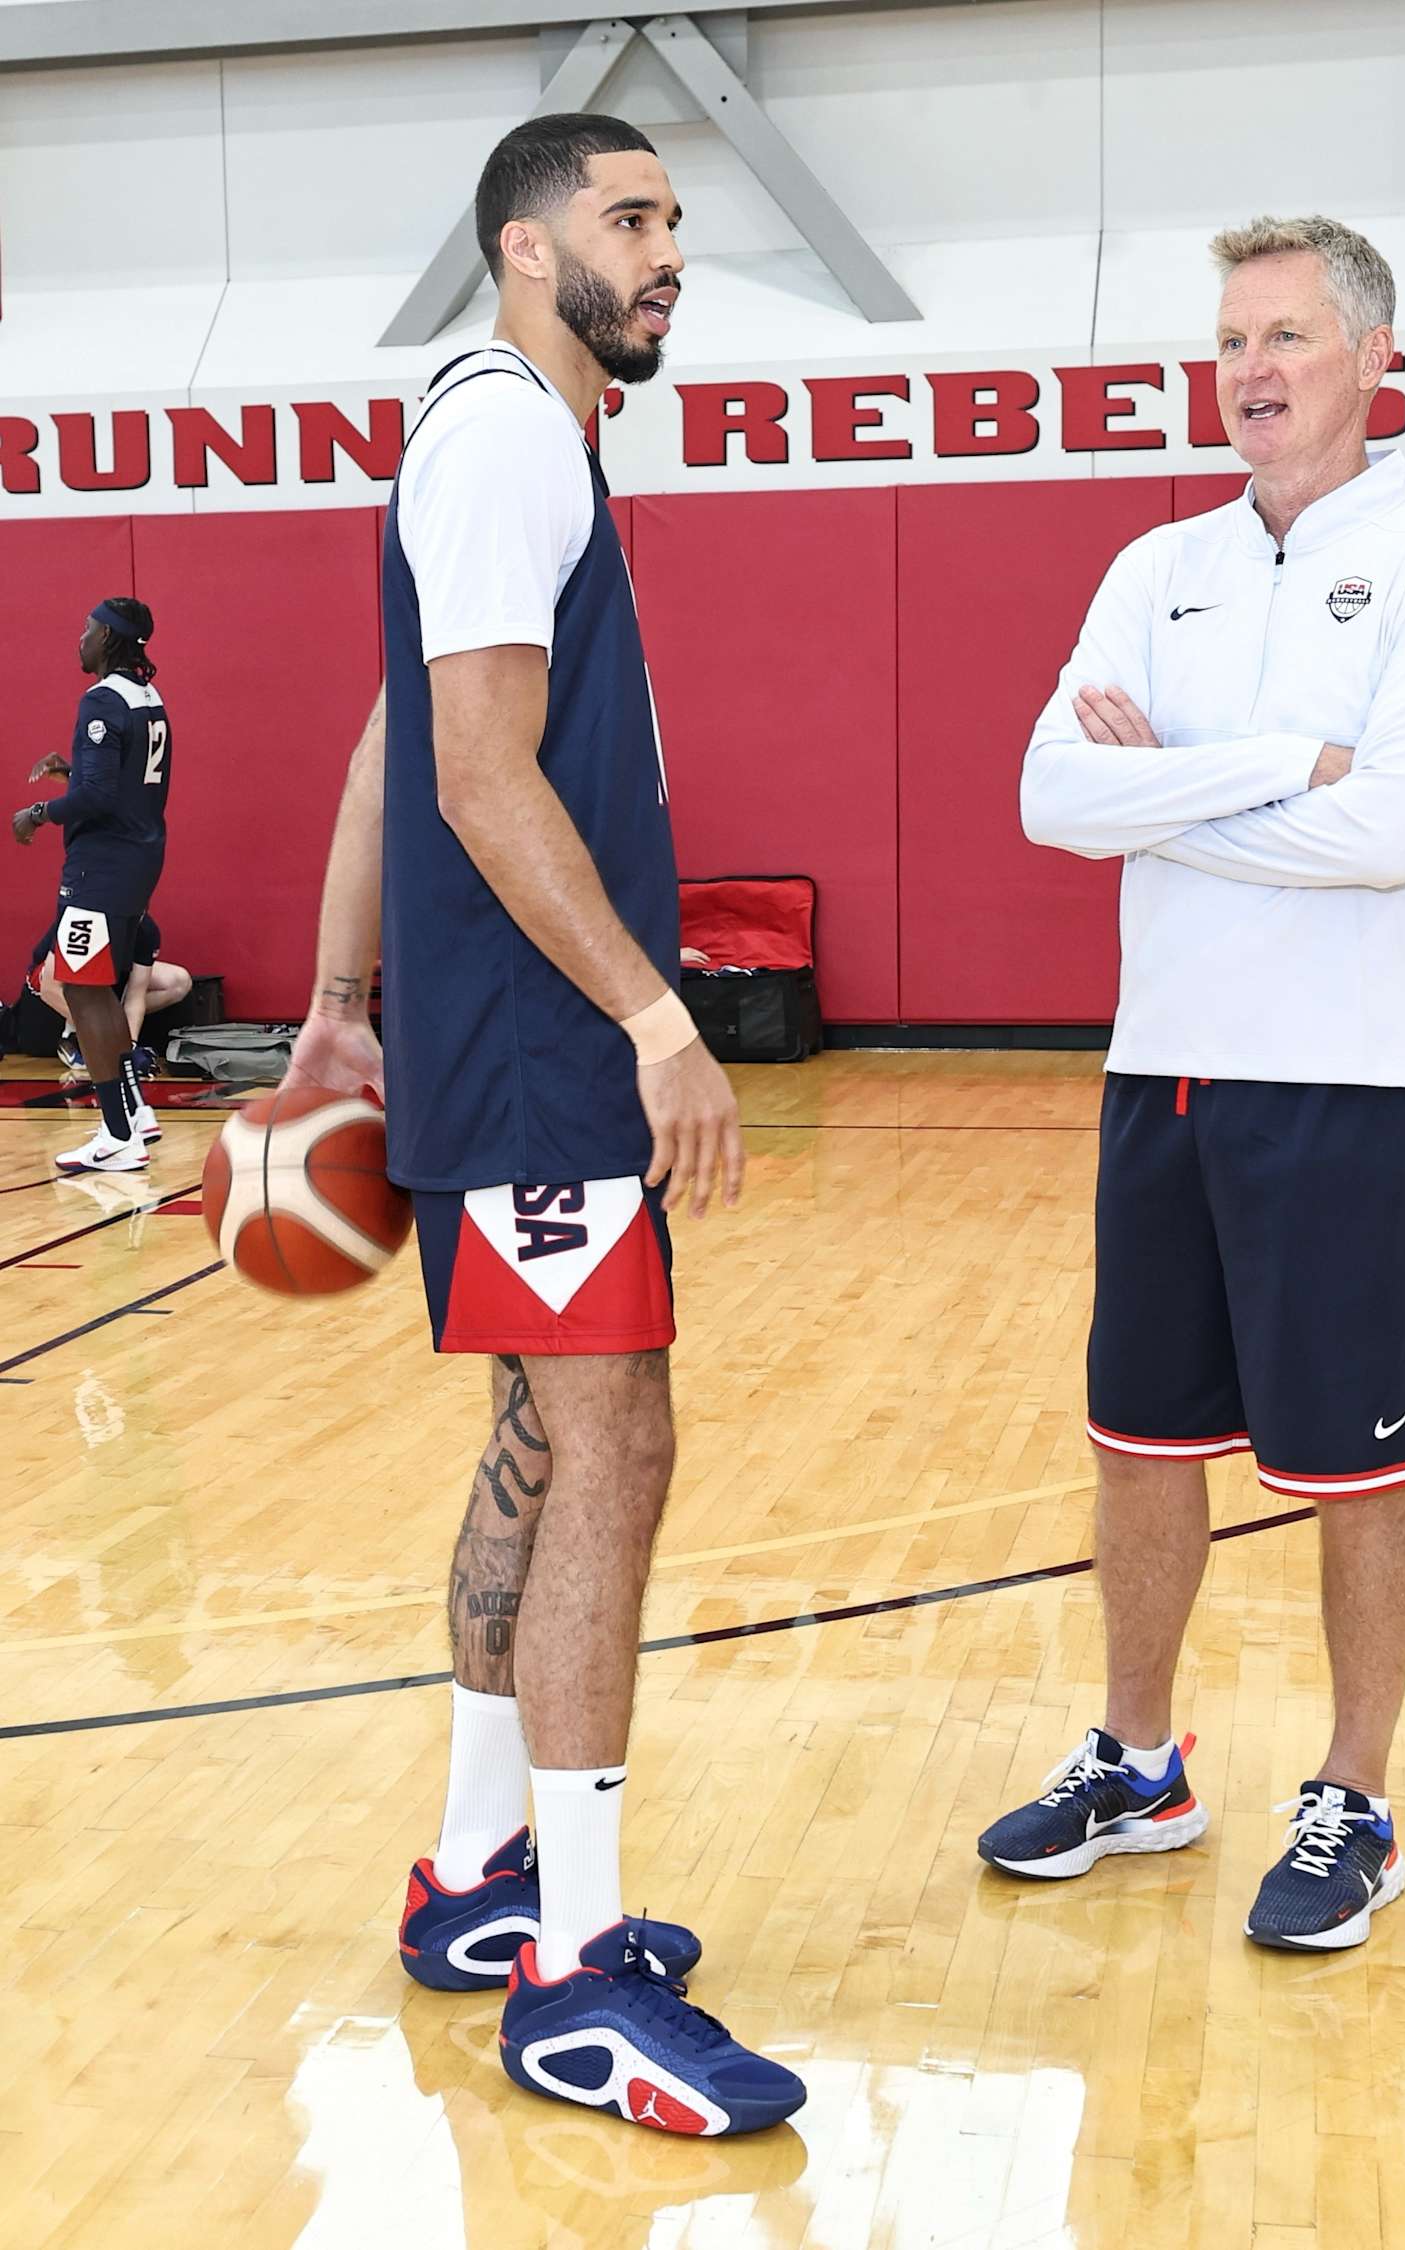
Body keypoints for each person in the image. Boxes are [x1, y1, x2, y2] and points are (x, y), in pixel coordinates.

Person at [281, 114, 803, 2134]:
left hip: (503, 1044)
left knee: (542, 1436)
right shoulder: (503, 434)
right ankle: (575, 1981)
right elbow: (483, 784)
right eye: (630, 220)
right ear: (523, 247)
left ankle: (480, 1881)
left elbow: (383, 745)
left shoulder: (509, 440)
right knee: (612, 1446)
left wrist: (335, 1004)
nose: (667, 254)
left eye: (677, 222)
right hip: (546, 1053)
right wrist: (662, 1021)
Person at [985, 214, 1405, 1953]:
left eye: (1286, 336)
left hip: (1349, 1086)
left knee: (1358, 1469)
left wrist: (1183, 793)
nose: (1252, 373)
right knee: (1139, 1444)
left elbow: (1392, 839)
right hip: (1170, 1075)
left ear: (1372, 357)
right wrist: (1286, 760)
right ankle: (1141, 1762)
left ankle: (1356, 1798)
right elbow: (1053, 801)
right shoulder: (1159, 570)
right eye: (1229, 343)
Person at [11, 597, 170, 1172]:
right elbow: (123, 786)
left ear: (109, 639)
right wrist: (74, 772)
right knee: (97, 988)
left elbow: (100, 798)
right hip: (137, 858)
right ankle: (135, 1115)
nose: (79, 637)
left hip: (101, 866)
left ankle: (117, 1134)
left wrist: (39, 811)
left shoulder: (101, 701)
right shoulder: (147, 698)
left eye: (88, 629)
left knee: (81, 989)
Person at [30, 910, 192, 1088]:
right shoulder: (84, 916)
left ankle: (108, 1034)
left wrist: (128, 1048)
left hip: (111, 978)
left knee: (179, 981)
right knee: (80, 978)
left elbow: (136, 995)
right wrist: (95, 1032)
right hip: (59, 979)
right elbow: (49, 989)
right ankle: (75, 1035)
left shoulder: (145, 929)